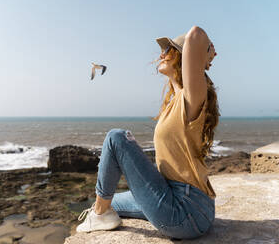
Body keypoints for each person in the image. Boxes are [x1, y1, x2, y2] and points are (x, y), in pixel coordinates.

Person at [76, 25, 220, 240]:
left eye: (168, 51)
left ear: (183, 57)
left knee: (116, 137)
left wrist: (207, 52)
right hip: (174, 196)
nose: (161, 55)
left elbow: (196, 34)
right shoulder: (174, 101)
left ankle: (100, 215)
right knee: (106, 201)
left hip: (185, 211)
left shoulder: (191, 98)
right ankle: (101, 213)